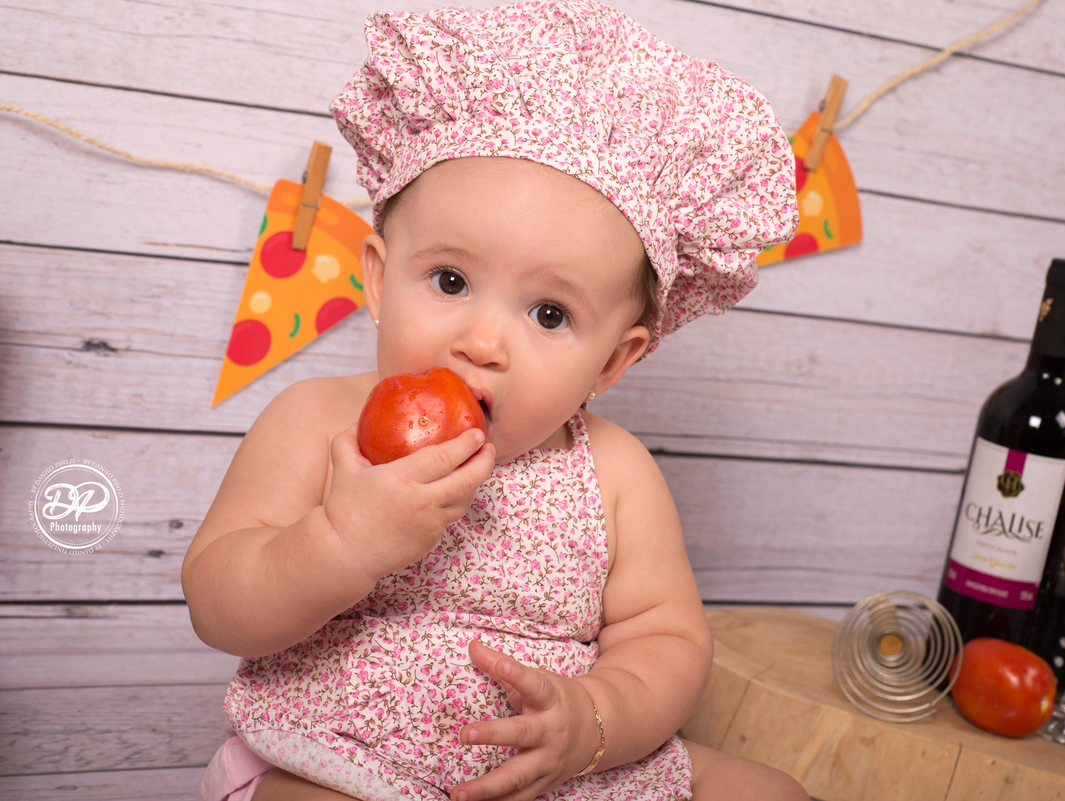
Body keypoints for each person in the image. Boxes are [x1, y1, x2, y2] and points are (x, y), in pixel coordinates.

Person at [184, 1, 805, 799]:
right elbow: (217, 602)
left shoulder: (615, 472)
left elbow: (666, 637)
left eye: (549, 314)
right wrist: (341, 541)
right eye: (450, 280)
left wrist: (593, 720)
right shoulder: (316, 420)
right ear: (378, 278)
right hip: (344, 760)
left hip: (551, 776)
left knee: (768, 790)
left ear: (614, 360)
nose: (482, 342)